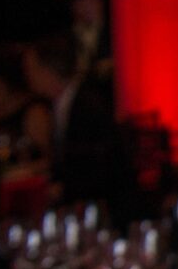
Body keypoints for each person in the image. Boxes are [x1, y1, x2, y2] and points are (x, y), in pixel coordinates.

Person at [22, 34, 117, 203]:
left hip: (97, 200)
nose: (27, 76)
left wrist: (63, 189)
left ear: (48, 70)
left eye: (31, 69)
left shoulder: (87, 105)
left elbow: (98, 163)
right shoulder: (61, 103)